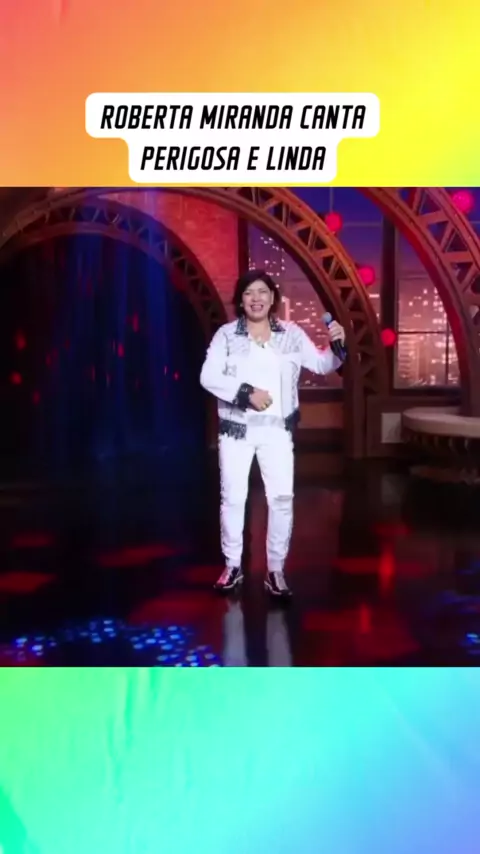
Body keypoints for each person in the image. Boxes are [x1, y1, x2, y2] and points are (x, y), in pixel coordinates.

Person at [200, 269, 346, 599]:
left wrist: (337, 346)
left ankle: (275, 570)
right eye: (249, 292)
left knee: (281, 500)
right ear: (241, 300)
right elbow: (207, 376)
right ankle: (232, 565)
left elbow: (322, 365)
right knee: (233, 498)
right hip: (236, 431)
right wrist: (246, 393)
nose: (256, 298)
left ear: (272, 298)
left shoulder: (291, 334)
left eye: (262, 292)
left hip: (277, 431)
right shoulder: (226, 335)